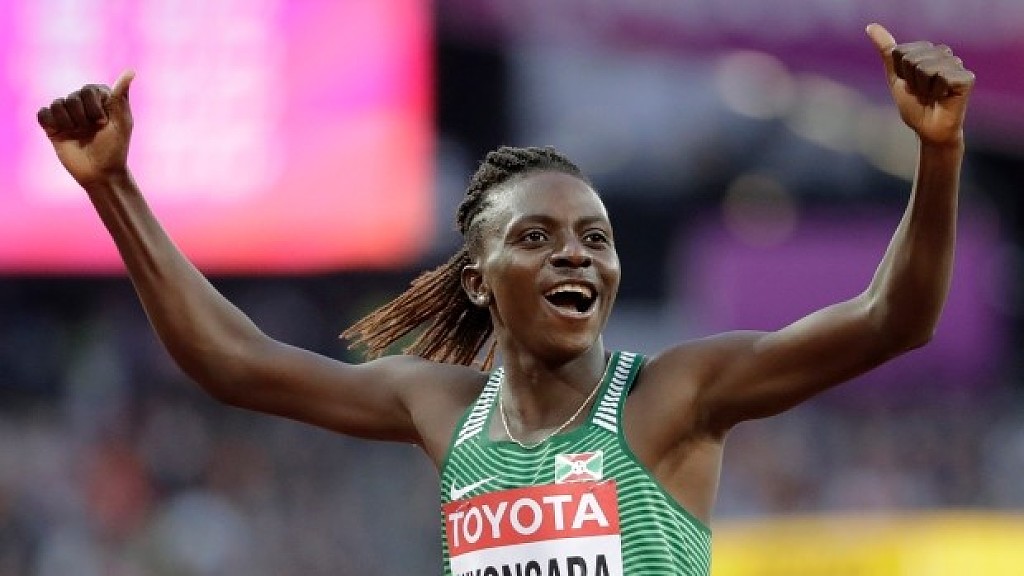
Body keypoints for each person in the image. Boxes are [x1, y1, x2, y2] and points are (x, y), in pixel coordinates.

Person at [37, 22, 973, 576]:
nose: (576, 255)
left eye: (596, 238)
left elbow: (893, 319)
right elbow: (234, 364)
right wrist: (112, 187)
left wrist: (938, 155)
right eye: (537, 237)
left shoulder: (673, 397)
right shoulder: (441, 406)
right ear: (479, 279)